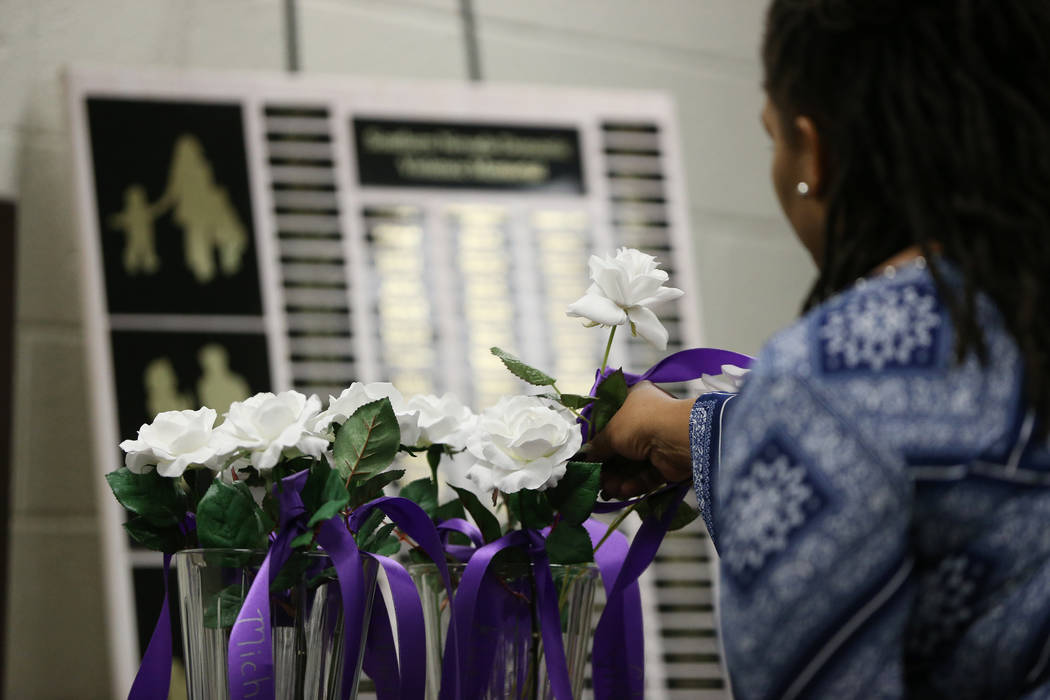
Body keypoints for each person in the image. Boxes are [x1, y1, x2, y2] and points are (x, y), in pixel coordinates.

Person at [591, 1, 1050, 698]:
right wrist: (695, 431)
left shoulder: (827, 384)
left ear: (815, 153)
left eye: (774, 137)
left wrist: (783, 421)